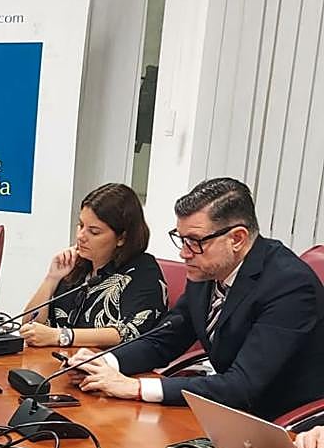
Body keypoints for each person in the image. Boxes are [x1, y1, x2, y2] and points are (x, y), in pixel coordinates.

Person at [71, 177, 324, 419]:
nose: (183, 253)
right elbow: (165, 340)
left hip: (281, 423)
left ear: (237, 238)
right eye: (181, 239)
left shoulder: (289, 286)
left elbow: (242, 385)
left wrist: (137, 388)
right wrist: (103, 362)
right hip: (227, 410)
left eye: (194, 242)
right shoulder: (208, 271)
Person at [19, 183, 167, 348]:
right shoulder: (77, 266)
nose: (81, 236)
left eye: (94, 231)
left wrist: (61, 336)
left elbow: (129, 332)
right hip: (59, 362)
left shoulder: (143, 270)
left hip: (109, 368)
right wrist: (51, 279)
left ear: (122, 237)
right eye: (81, 226)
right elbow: (29, 325)